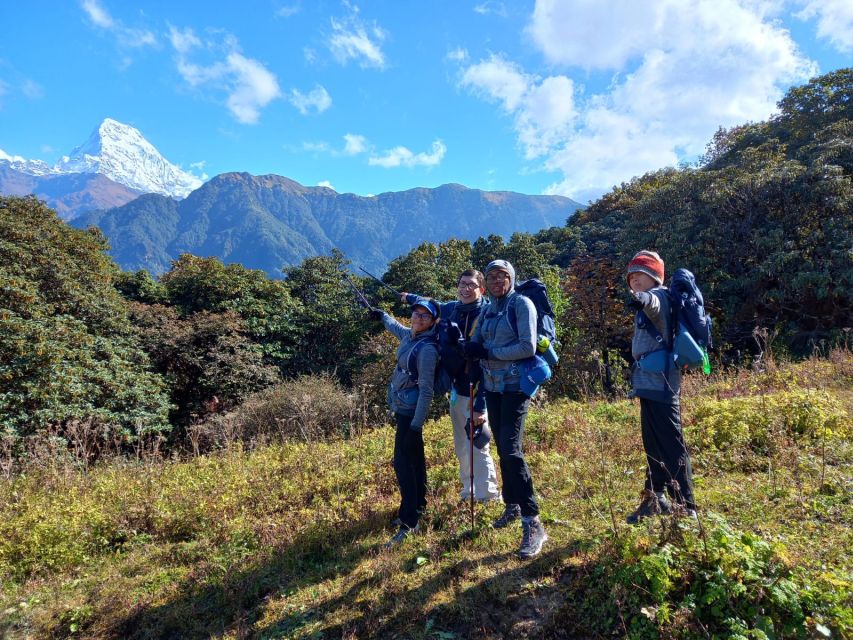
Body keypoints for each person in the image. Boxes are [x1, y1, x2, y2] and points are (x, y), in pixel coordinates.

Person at [464, 260, 548, 559]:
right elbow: (476, 342)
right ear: (486, 282)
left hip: (515, 386)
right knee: (502, 446)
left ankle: (533, 520)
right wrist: (468, 348)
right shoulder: (487, 309)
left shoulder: (521, 305)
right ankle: (512, 505)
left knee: (511, 450)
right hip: (492, 385)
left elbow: (526, 346)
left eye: (503, 276)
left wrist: (488, 352)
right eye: (492, 276)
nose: (498, 280)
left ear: (512, 279)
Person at [400, 270, 501, 504]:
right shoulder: (452, 309)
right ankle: (469, 491)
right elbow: (429, 304)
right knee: (461, 445)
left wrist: (480, 404)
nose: (466, 289)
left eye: (472, 285)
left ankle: (487, 495)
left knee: (478, 444)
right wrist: (408, 297)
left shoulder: (486, 315)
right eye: (462, 284)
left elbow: (488, 364)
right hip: (456, 389)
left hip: (479, 388)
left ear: (481, 290)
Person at [625, 250, 697, 523]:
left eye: (640, 275)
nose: (634, 281)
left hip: (663, 383)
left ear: (654, 277)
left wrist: (641, 298)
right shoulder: (657, 297)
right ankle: (655, 499)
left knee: (671, 444)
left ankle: (686, 505)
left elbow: (650, 302)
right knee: (653, 444)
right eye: (631, 277)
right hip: (650, 383)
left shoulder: (658, 296)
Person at [369, 297, 442, 547]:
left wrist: (415, 425)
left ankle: (409, 521)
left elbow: (427, 391)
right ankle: (419, 506)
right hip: (404, 408)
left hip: (411, 412)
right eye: (416, 314)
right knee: (415, 460)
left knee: (403, 465)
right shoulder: (411, 336)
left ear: (433, 321)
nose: (418, 319)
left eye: (425, 316)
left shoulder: (428, 349)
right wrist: (382, 316)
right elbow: (396, 328)